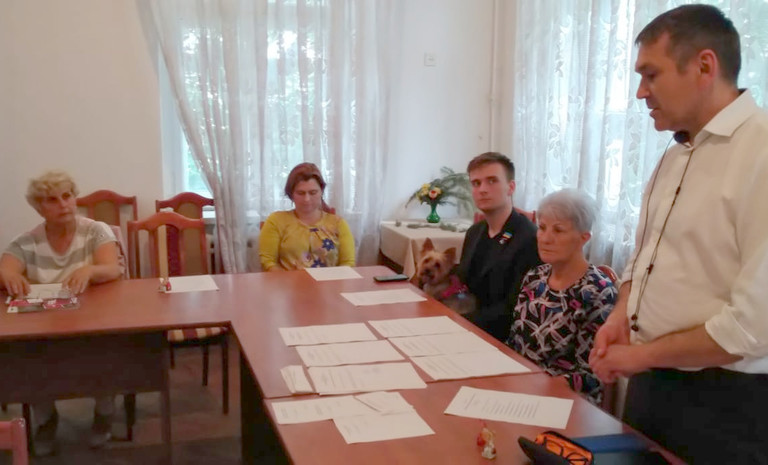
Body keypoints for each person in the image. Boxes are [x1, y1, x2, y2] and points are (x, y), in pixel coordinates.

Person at [589, 5, 768, 463]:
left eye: (651, 75)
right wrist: (621, 315)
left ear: (705, 66)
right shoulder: (676, 154)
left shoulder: (761, 152)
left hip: (727, 406)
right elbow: (646, 255)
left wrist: (641, 356)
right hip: (654, 385)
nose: (640, 92)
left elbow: (753, 327)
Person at [0, 170, 124, 455]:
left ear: (75, 197)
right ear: (39, 208)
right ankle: (46, 420)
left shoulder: (96, 230)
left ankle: (104, 413)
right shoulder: (27, 241)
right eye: (52, 200)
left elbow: (112, 268)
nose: (63, 204)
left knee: (106, 352)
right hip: (47, 323)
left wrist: (90, 270)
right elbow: (5, 268)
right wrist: (9, 276)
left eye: (67, 196)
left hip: (94, 319)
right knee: (29, 356)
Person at [507, 189, 616, 404]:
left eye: (558, 230)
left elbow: (593, 374)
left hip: (565, 399)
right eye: (542, 228)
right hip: (520, 384)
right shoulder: (534, 277)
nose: (545, 238)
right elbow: (514, 342)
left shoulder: (598, 291)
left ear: (583, 238)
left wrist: (536, 388)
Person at [457, 152, 541, 341]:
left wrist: (460, 323)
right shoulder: (474, 232)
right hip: (467, 326)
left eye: (492, 181)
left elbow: (513, 308)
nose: (482, 189)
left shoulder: (529, 238)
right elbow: (464, 284)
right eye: (476, 183)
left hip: (502, 338)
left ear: (511, 187)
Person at [259, 162, 355, 271]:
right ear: (291, 194)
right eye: (300, 193)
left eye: (313, 193)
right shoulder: (276, 221)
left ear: (321, 192)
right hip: (288, 281)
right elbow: (268, 262)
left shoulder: (338, 223)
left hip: (331, 281)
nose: (307, 199)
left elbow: (348, 263)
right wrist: (288, 280)